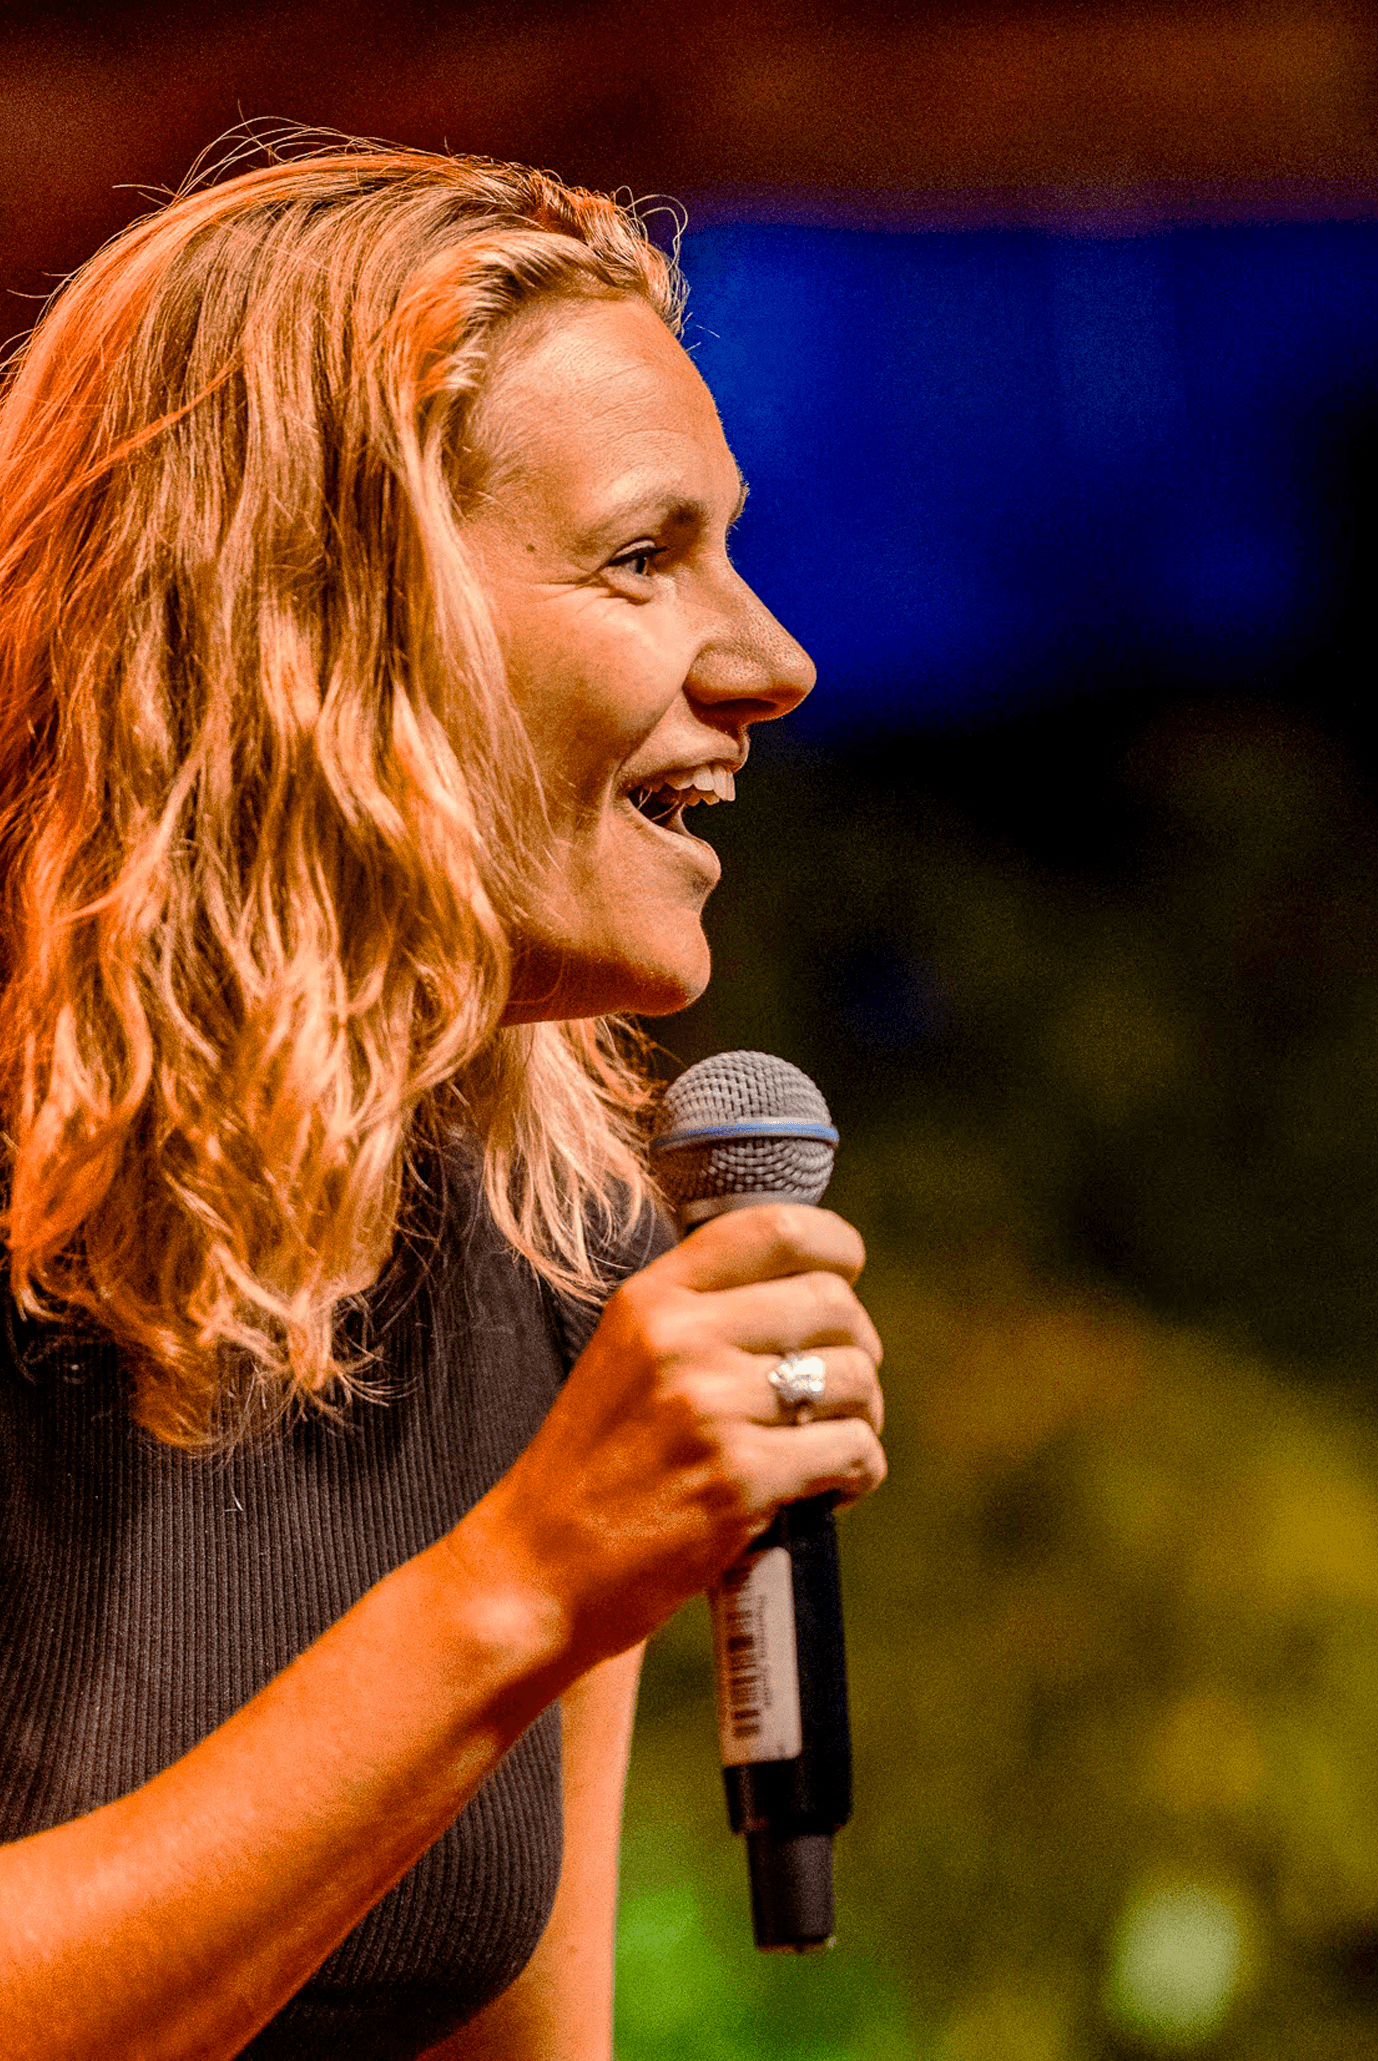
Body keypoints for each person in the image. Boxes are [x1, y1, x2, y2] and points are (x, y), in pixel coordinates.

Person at [0, 136, 886, 2059]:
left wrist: (552, 1573)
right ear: (321, 620)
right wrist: (522, 1584)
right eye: (642, 556)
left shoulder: (559, 1247)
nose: (775, 661)